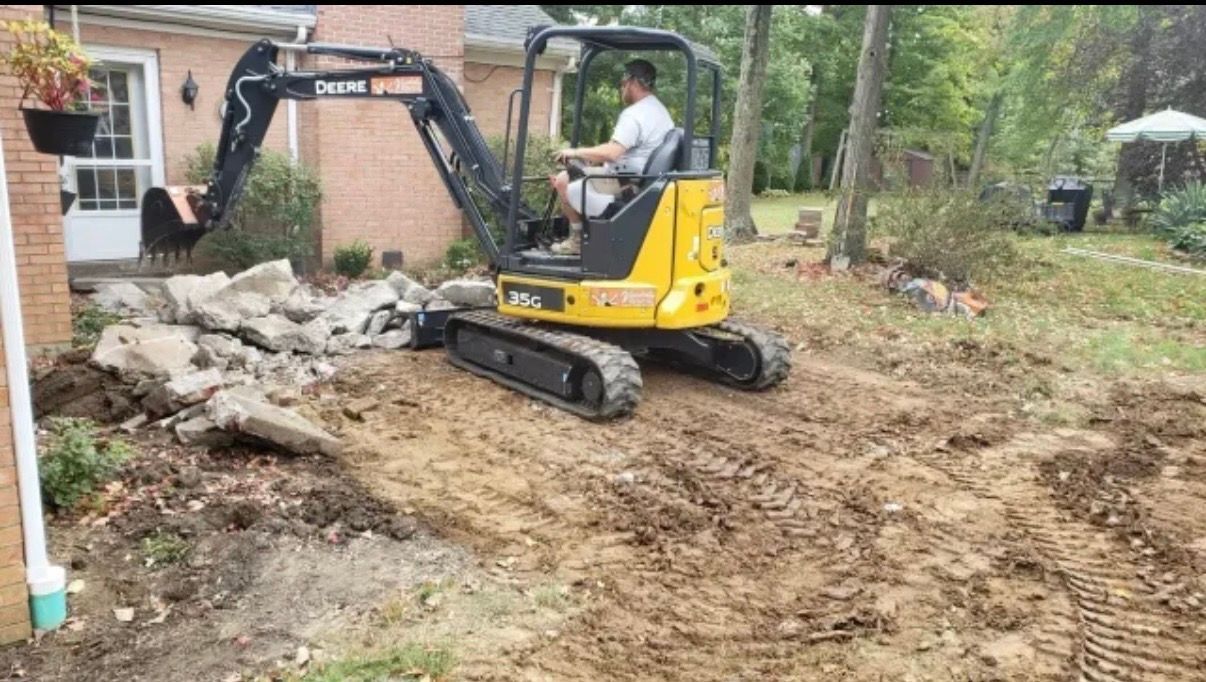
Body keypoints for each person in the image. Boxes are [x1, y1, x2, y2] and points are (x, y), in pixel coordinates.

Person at [548, 59, 675, 255]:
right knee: (574, 173)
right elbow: (620, 150)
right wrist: (589, 160)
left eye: (623, 83)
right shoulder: (659, 110)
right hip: (640, 178)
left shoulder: (635, 114)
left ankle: (577, 241)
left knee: (564, 181)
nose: (621, 88)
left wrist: (574, 152)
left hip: (626, 182)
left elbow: (612, 153)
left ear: (632, 81)